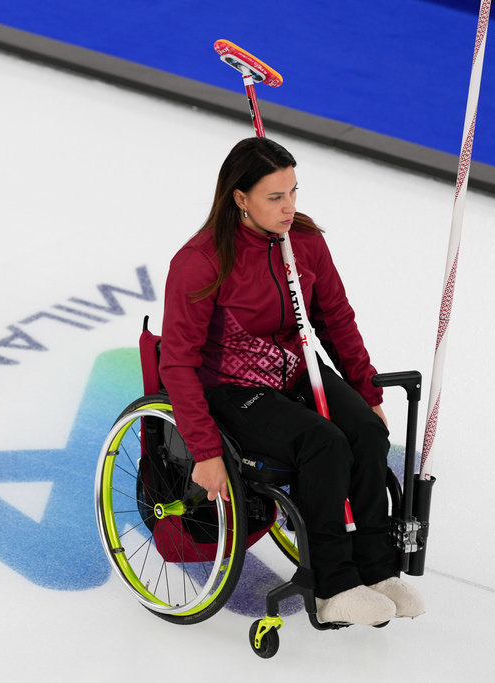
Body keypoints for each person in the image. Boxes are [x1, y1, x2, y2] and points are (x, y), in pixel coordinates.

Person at [158, 137, 424, 626]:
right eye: (275, 197)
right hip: (233, 385)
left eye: (294, 192)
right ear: (240, 198)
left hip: (296, 366)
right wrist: (206, 450)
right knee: (323, 444)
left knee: (366, 432)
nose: (290, 207)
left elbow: (336, 318)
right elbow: (176, 362)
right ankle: (333, 585)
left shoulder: (303, 239)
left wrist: (367, 391)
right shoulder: (199, 261)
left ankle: (377, 569)